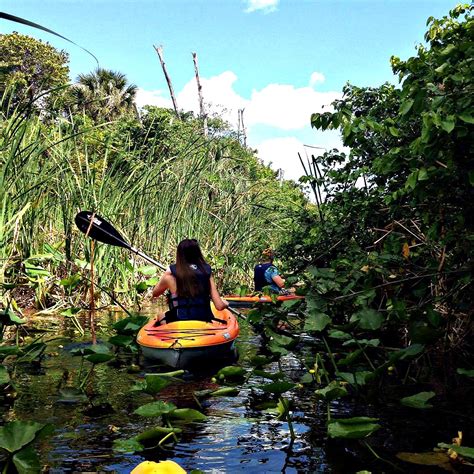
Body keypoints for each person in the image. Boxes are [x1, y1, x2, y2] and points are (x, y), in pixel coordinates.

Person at [152, 238, 228, 322]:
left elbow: (155, 293)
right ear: (198, 253)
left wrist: (167, 274)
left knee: (160, 315)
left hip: (179, 320)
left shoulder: (170, 276)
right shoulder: (206, 271)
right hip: (204, 319)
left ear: (180, 254)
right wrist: (226, 303)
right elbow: (219, 306)